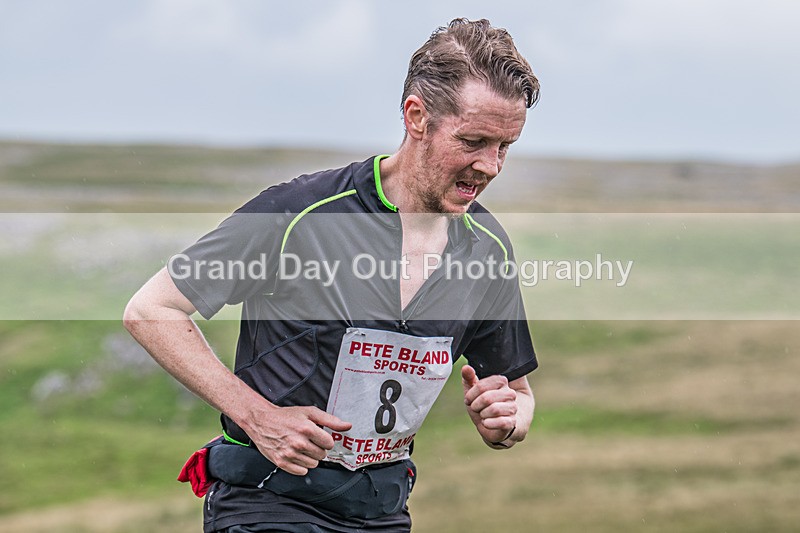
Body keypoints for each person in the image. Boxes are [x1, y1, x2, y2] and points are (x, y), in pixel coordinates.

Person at [124, 18, 540, 533]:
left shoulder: (488, 249)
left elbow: (517, 394)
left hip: (381, 513)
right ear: (417, 116)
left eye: (505, 146)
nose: (491, 166)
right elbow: (151, 310)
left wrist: (507, 421)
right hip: (267, 505)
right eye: (473, 141)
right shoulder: (301, 214)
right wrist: (258, 417)